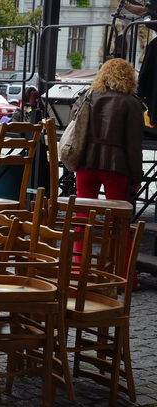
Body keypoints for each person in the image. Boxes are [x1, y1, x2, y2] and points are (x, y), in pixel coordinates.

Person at [71, 58, 142, 275]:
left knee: (82, 218)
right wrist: (136, 178)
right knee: (118, 222)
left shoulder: (86, 97)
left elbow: (74, 129)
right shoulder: (131, 103)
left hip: (85, 164)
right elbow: (133, 146)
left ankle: (78, 269)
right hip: (115, 166)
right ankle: (122, 274)